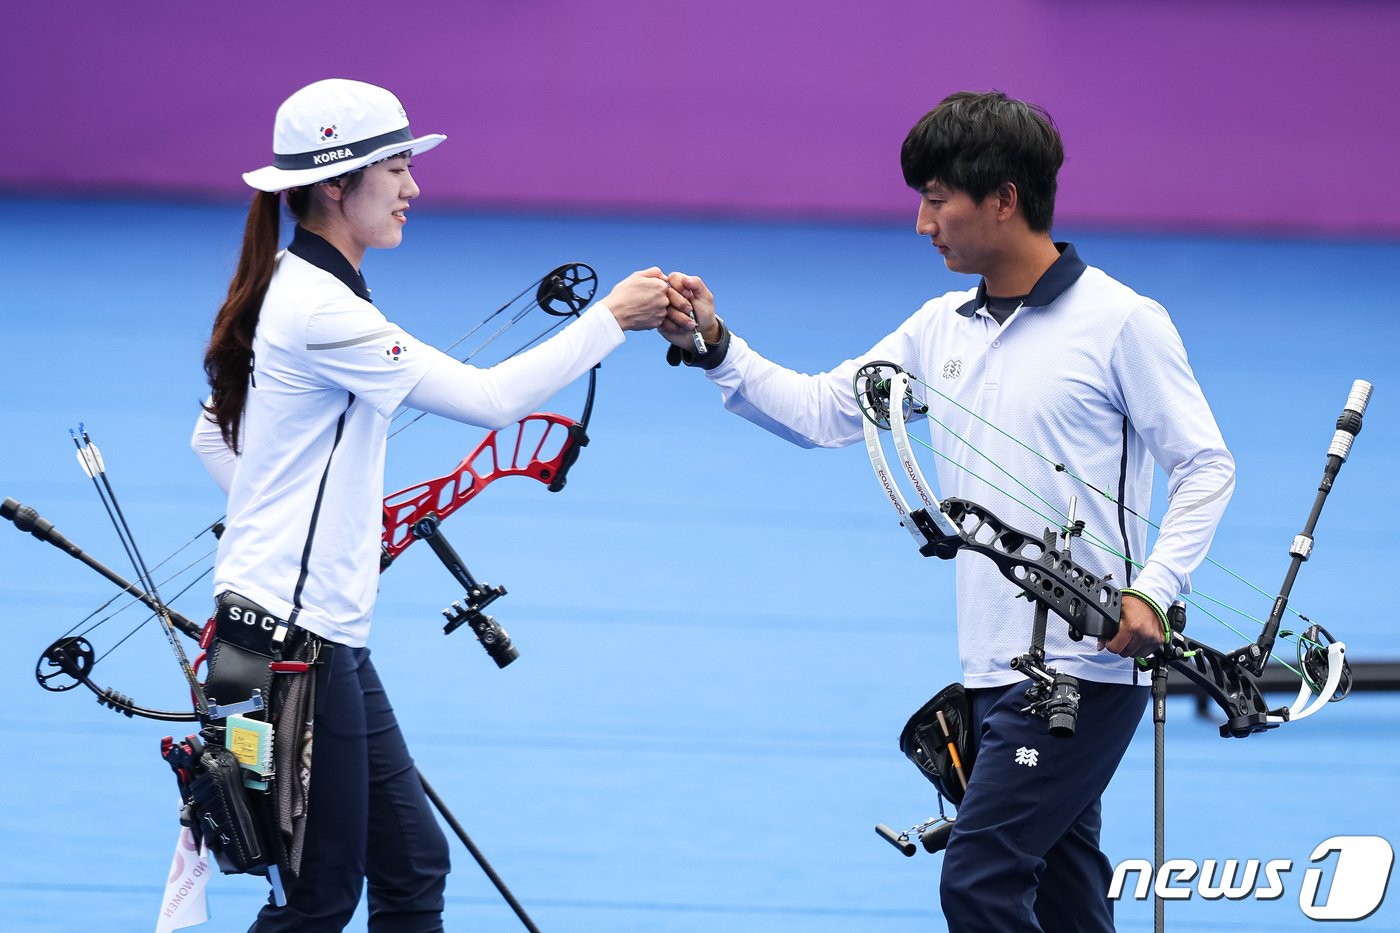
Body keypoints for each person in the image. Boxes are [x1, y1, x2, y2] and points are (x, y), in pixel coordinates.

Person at [657, 90, 1235, 931]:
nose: (922, 223)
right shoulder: (939, 328)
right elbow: (826, 412)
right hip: (992, 665)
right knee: (1067, 894)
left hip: (1084, 668)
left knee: (980, 879)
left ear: (1003, 199)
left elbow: (1205, 464)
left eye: (936, 199)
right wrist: (714, 344)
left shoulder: (1122, 322)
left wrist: (1153, 586)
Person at [192, 78, 672, 931]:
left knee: (413, 863)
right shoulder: (320, 308)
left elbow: (214, 441)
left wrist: (314, 527)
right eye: (399, 168)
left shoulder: (291, 283)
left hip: (310, 633)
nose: (414, 187)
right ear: (337, 184)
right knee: (321, 898)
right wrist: (612, 320)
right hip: (292, 643)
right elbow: (489, 399)